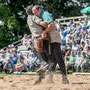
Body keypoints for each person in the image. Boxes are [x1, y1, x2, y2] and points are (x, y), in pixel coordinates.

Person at [32, 5, 69, 84]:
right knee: (52, 59)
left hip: (54, 36)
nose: (35, 14)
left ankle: (64, 78)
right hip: (49, 38)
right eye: (33, 13)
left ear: (39, 10)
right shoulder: (40, 16)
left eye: (35, 12)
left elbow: (52, 24)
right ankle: (51, 78)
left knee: (58, 57)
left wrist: (44, 32)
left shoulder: (45, 14)